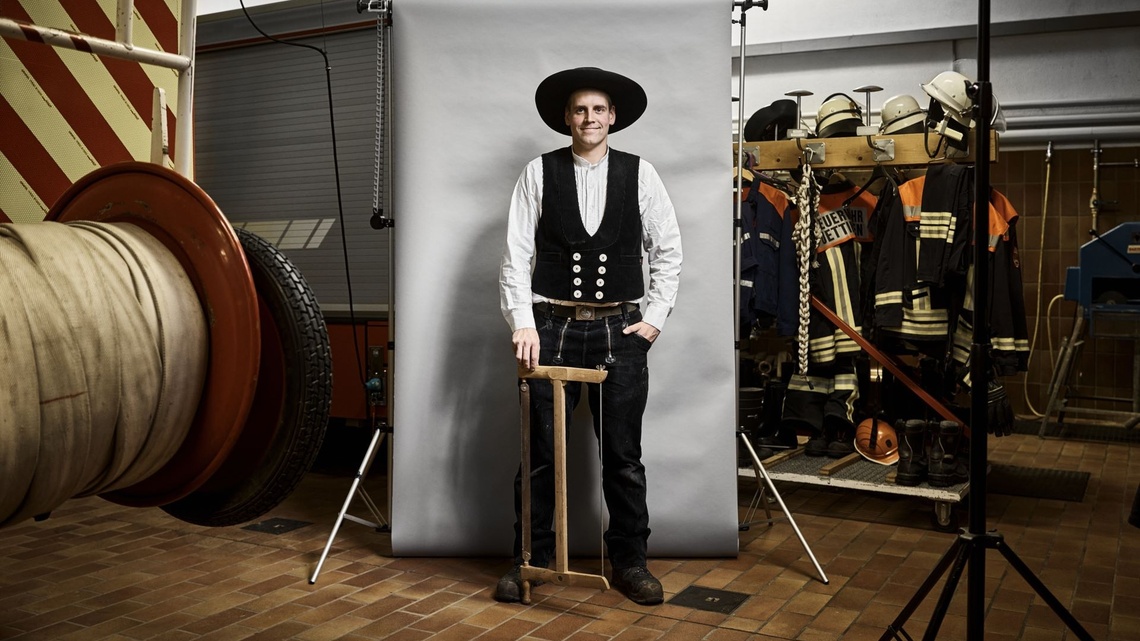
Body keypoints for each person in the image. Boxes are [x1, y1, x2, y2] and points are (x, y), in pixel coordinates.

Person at [496, 67, 682, 605]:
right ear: (566, 117)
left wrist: (656, 317)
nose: (589, 118)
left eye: (598, 109)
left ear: (613, 117)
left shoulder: (640, 173)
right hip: (549, 328)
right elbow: (516, 255)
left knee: (622, 456)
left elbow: (667, 247)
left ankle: (630, 562)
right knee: (538, 457)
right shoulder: (538, 172)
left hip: (620, 330)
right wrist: (523, 322)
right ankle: (527, 562)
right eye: (580, 109)